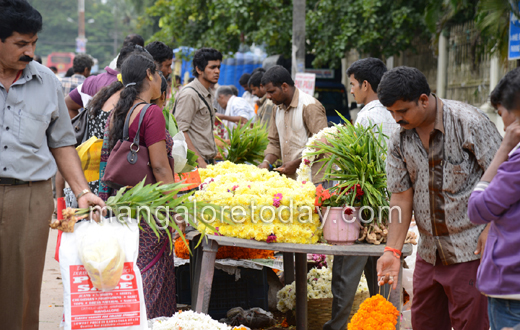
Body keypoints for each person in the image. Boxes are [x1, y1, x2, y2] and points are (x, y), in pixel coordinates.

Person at [0, 1, 105, 329]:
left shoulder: (46, 82)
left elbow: (61, 142)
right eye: (20, 43)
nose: (29, 51)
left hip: (29, 198)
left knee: (23, 287)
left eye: (33, 42)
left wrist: (82, 191)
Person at [377, 66, 502, 330]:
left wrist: (493, 228)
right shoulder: (400, 139)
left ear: (423, 99)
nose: (397, 119)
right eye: (391, 113)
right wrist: (391, 251)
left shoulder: (470, 123)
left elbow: (506, 179)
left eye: (402, 111)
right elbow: (400, 198)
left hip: (471, 252)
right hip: (429, 254)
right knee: (424, 323)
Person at [100, 53, 180, 318]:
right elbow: (159, 166)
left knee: (128, 269)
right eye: (159, 73)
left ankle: (126, 319)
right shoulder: (151, 112)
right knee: (150, 274)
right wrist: (174, 209)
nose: (162, 79)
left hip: (121, 204)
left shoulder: (118, 113)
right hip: (149, 210)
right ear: (149, 74)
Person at [323, 57, 399, 330]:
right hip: (390, 207)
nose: (351, 90)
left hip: (362, 206)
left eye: (353, 84)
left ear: (366, 84)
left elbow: (355, 168)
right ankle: (383, 323)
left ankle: (338, 326)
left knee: (346, 273)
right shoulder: (395, 113)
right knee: (381, 275)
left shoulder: (366, 116)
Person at [467, 68, 520, 330]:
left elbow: (478, 208)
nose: (502, 123)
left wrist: (503, 149)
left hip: (512, 291)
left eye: (501, 114)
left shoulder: (516, 161)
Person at [258, 65, 328, 181]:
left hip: (313, 180)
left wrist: (295, 164)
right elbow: (274, 143)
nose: (268, 97)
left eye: (271, 92)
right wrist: (266, 162)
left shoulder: (309, 106)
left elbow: (322, 146)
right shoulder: (276, 108)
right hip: (290, 180)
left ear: (284, 86)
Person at [173, 47, 222, 168]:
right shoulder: (190, 94)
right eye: (212, 67)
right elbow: (180, 131)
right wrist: (200, 160)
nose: (217, 71)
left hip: (207, 162)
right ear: (199, 69)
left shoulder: (207, 92)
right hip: (195, 164)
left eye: (218, 67)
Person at [65, 44, 138, 118]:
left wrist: (78, 128)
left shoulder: (90, 82)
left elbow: (67, 104)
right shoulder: (133, 86)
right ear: (86, 69)